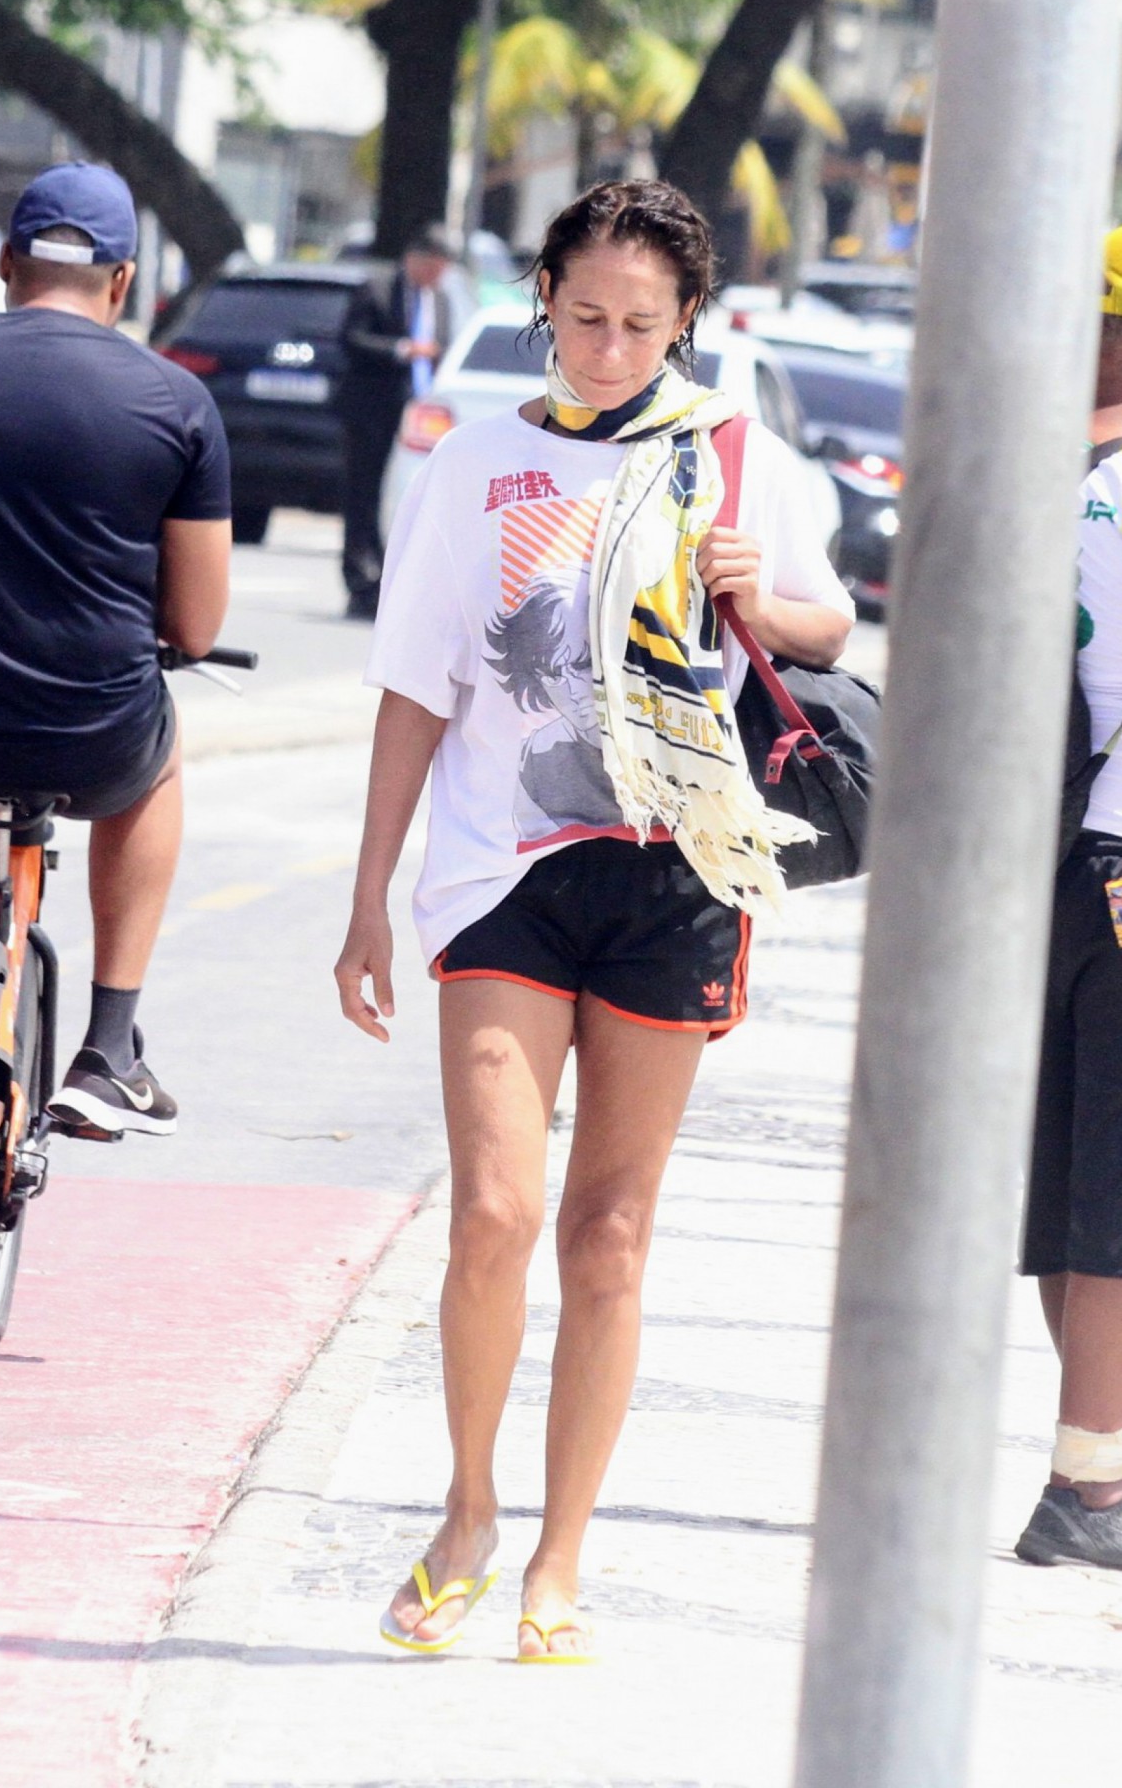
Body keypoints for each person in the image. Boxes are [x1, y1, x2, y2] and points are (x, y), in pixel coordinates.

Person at [335, 179, 854, 1659]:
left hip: (674, 868)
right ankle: (467, 1509)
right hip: (503, 869)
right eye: (582, 319)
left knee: (608, 1232)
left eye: (640, 324)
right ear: (541, 301)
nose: (610, 349)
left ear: (686, 318)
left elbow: (824, 629)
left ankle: (561, 1555)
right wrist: (367, 896)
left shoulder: (734, 456)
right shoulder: (476, 461)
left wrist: (767, 591)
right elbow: (416, 686)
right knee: (494, 1209)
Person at [0, 162, 232, 1137]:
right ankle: (109, 1045)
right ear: (123, 281)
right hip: (88, 739)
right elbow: (196, 628)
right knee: (161, 755)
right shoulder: (176, 403)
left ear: (9, 261)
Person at [1015, 226, 1122, 1566]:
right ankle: (1086, 1487)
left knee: (1076, 1171)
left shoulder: (1041, 477)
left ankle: (1090, 1454)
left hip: (1057, 861)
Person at [337, 223, 457, 621]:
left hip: (421, 416)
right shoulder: (377, 289)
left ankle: (395, 581)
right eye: (433, 267)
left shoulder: (440, 299)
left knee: (405, 499)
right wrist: (403, 350)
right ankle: (360, 581)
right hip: (373, 410)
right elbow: (351, 338)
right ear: (415, 259)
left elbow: (446, 344)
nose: (437, 277)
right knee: (364, 495)